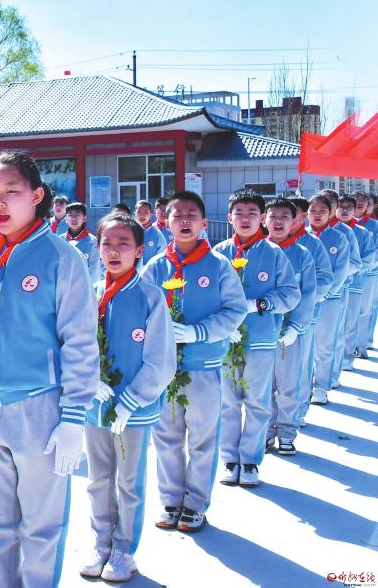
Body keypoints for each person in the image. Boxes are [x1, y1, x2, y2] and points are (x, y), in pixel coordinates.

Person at [0, 150, 98, 588]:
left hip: (38, 411)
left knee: (40, 529)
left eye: (12, 191)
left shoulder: (61, 258)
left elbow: (80, 344)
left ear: (37, 196)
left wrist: (73, 418)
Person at [141, 191, 245, 533]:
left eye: (191, 215)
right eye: (177, 215)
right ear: (166, 222)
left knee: (202, 438)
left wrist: (198, 332)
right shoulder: (155, 266)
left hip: (203, 368)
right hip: (164, 370)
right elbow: (139, 309)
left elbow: (235, 310)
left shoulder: (219, 266)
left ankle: (196, 503)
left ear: (203, 223)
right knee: (166, 438)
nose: (184, 220)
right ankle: (171, 500)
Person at [80, 213, 176, 583]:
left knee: (128, 481)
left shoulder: (151, 296)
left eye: (124, 244)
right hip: (95, 405)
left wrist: (131, 401)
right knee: (98, 477)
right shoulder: (88, 293)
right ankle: (100, 542)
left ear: (139, 250)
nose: (114, 251)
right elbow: (71, 344)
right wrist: (87, 379)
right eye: (107, 243)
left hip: (132, 411)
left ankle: (124, 549)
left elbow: (161, 360)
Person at [213, 189, 298, 488]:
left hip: (261, 338)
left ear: (261, 218)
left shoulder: (274, 253)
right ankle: (229, 458)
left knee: (258, 402)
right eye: (239, 213)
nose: (245, 219)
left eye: (252, 213)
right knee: (227, 401)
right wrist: (222, 322)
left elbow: (291, 294)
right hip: (226, 339)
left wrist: (259, 304)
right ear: (229, 217)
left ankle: (250, 460)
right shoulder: (218, 253)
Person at [263, 198, 316, 456]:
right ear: (264, 220)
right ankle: (265, 431)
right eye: (273, 216)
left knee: (287, 385)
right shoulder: (255, 252)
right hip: (260, 331)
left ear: (294, 221)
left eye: (285, 217)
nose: (278, 221)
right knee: (262, 387)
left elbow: (308, 293)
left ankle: (286, 432)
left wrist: (295, 326)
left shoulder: (302, 254)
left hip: (288, 332)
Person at [286, 197, 333, 426]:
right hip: (274, 317)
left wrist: (307, 299)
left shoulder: (312, 245)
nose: (284, 221)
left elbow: (325, 278)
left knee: (302, 363)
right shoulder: (270, 244)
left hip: (305, 314)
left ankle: (299, 409)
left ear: (301, 217)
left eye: (290, 215)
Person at [307, 195, 352, 405]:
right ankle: (303, 386)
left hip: (330, 298)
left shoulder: (339, 238)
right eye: (313, 211)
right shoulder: (301, 236)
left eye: (322, 211)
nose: (317, 215)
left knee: (325, 343)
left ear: (331, 213)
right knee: (305, 346)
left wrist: (324, 293)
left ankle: (321, 386)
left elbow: (341, 270)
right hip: (304, 301)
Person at [336, 194, 375, 378]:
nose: (344, 210)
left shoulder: (362, 232)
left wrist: (349, 271)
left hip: (355, 282)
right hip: (333, 287)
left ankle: (348, 355)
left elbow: (368, 258)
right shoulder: (330, 231)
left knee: (351, 318)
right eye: (341, 207)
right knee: (335, 323)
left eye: (349, 208)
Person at [353, 191, 378, 357]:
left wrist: (362, 267)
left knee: (365, 309)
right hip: (348, 277)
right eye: (356, 199)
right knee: (348, 312)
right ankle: (349, 346)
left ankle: (361, 346)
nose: (360, 202)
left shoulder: (374, 225)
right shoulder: (343, 225)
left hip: (369, 273)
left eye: (364, 200)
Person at [61, 202, 97, 273]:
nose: (73, 218)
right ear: (66, 219)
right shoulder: (60, 240)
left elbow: (94, 271)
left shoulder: (92, 241)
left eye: (77, 214)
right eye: (70, 214)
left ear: (84, 218)